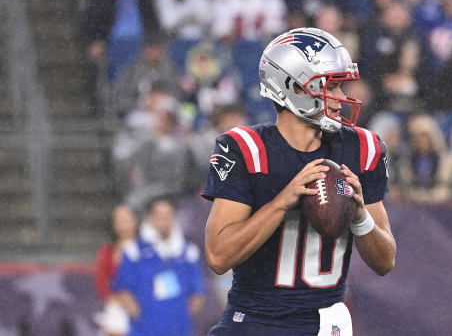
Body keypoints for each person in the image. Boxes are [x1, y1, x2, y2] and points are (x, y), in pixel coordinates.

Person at [202, 28, 396, 335]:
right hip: (255, 322)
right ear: (293, 86)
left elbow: (385, 261)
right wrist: (281, 202)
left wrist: (360, 217)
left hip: (325, 324)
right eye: (331, 87)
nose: (341, 99)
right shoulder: (247, 149)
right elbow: (218, 256)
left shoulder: (363, 148)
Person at [112, 197, 206, 336]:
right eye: (160, 216)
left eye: (168, 215)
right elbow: (123, 290)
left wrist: (180, 318)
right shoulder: (134, 252)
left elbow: (198, 293)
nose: (165, 221)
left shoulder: (188, 252)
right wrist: (141, 317)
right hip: (144, 330)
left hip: (179, 330)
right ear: (149, 218)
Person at [93, 205, 138, 336]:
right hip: (117, 306)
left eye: (127, 218)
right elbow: (102, 285)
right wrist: (121, 300)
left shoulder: (148, 249)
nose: (124, 223)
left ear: (135, 221)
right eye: (120, 220)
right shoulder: (106, 252)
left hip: (143, 305)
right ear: (114, 225)